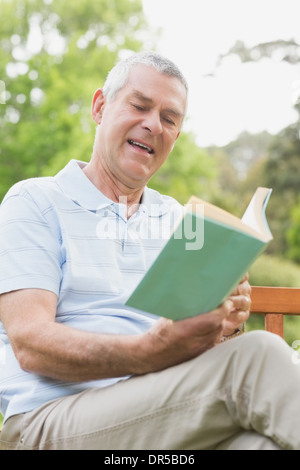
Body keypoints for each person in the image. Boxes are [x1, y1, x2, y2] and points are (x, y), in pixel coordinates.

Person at [0, 51, 299, 451]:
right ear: (100, 107)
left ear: (176, 136)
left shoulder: (182, 221)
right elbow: (29, 343)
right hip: (50, 419)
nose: (153, 125)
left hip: (161, 411)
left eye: (169, 119)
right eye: (140, 106)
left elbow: (197, 352)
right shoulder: (34, 201)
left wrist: (223, 322)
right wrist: (149, 351)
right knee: (261, 353)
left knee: (259, 445)